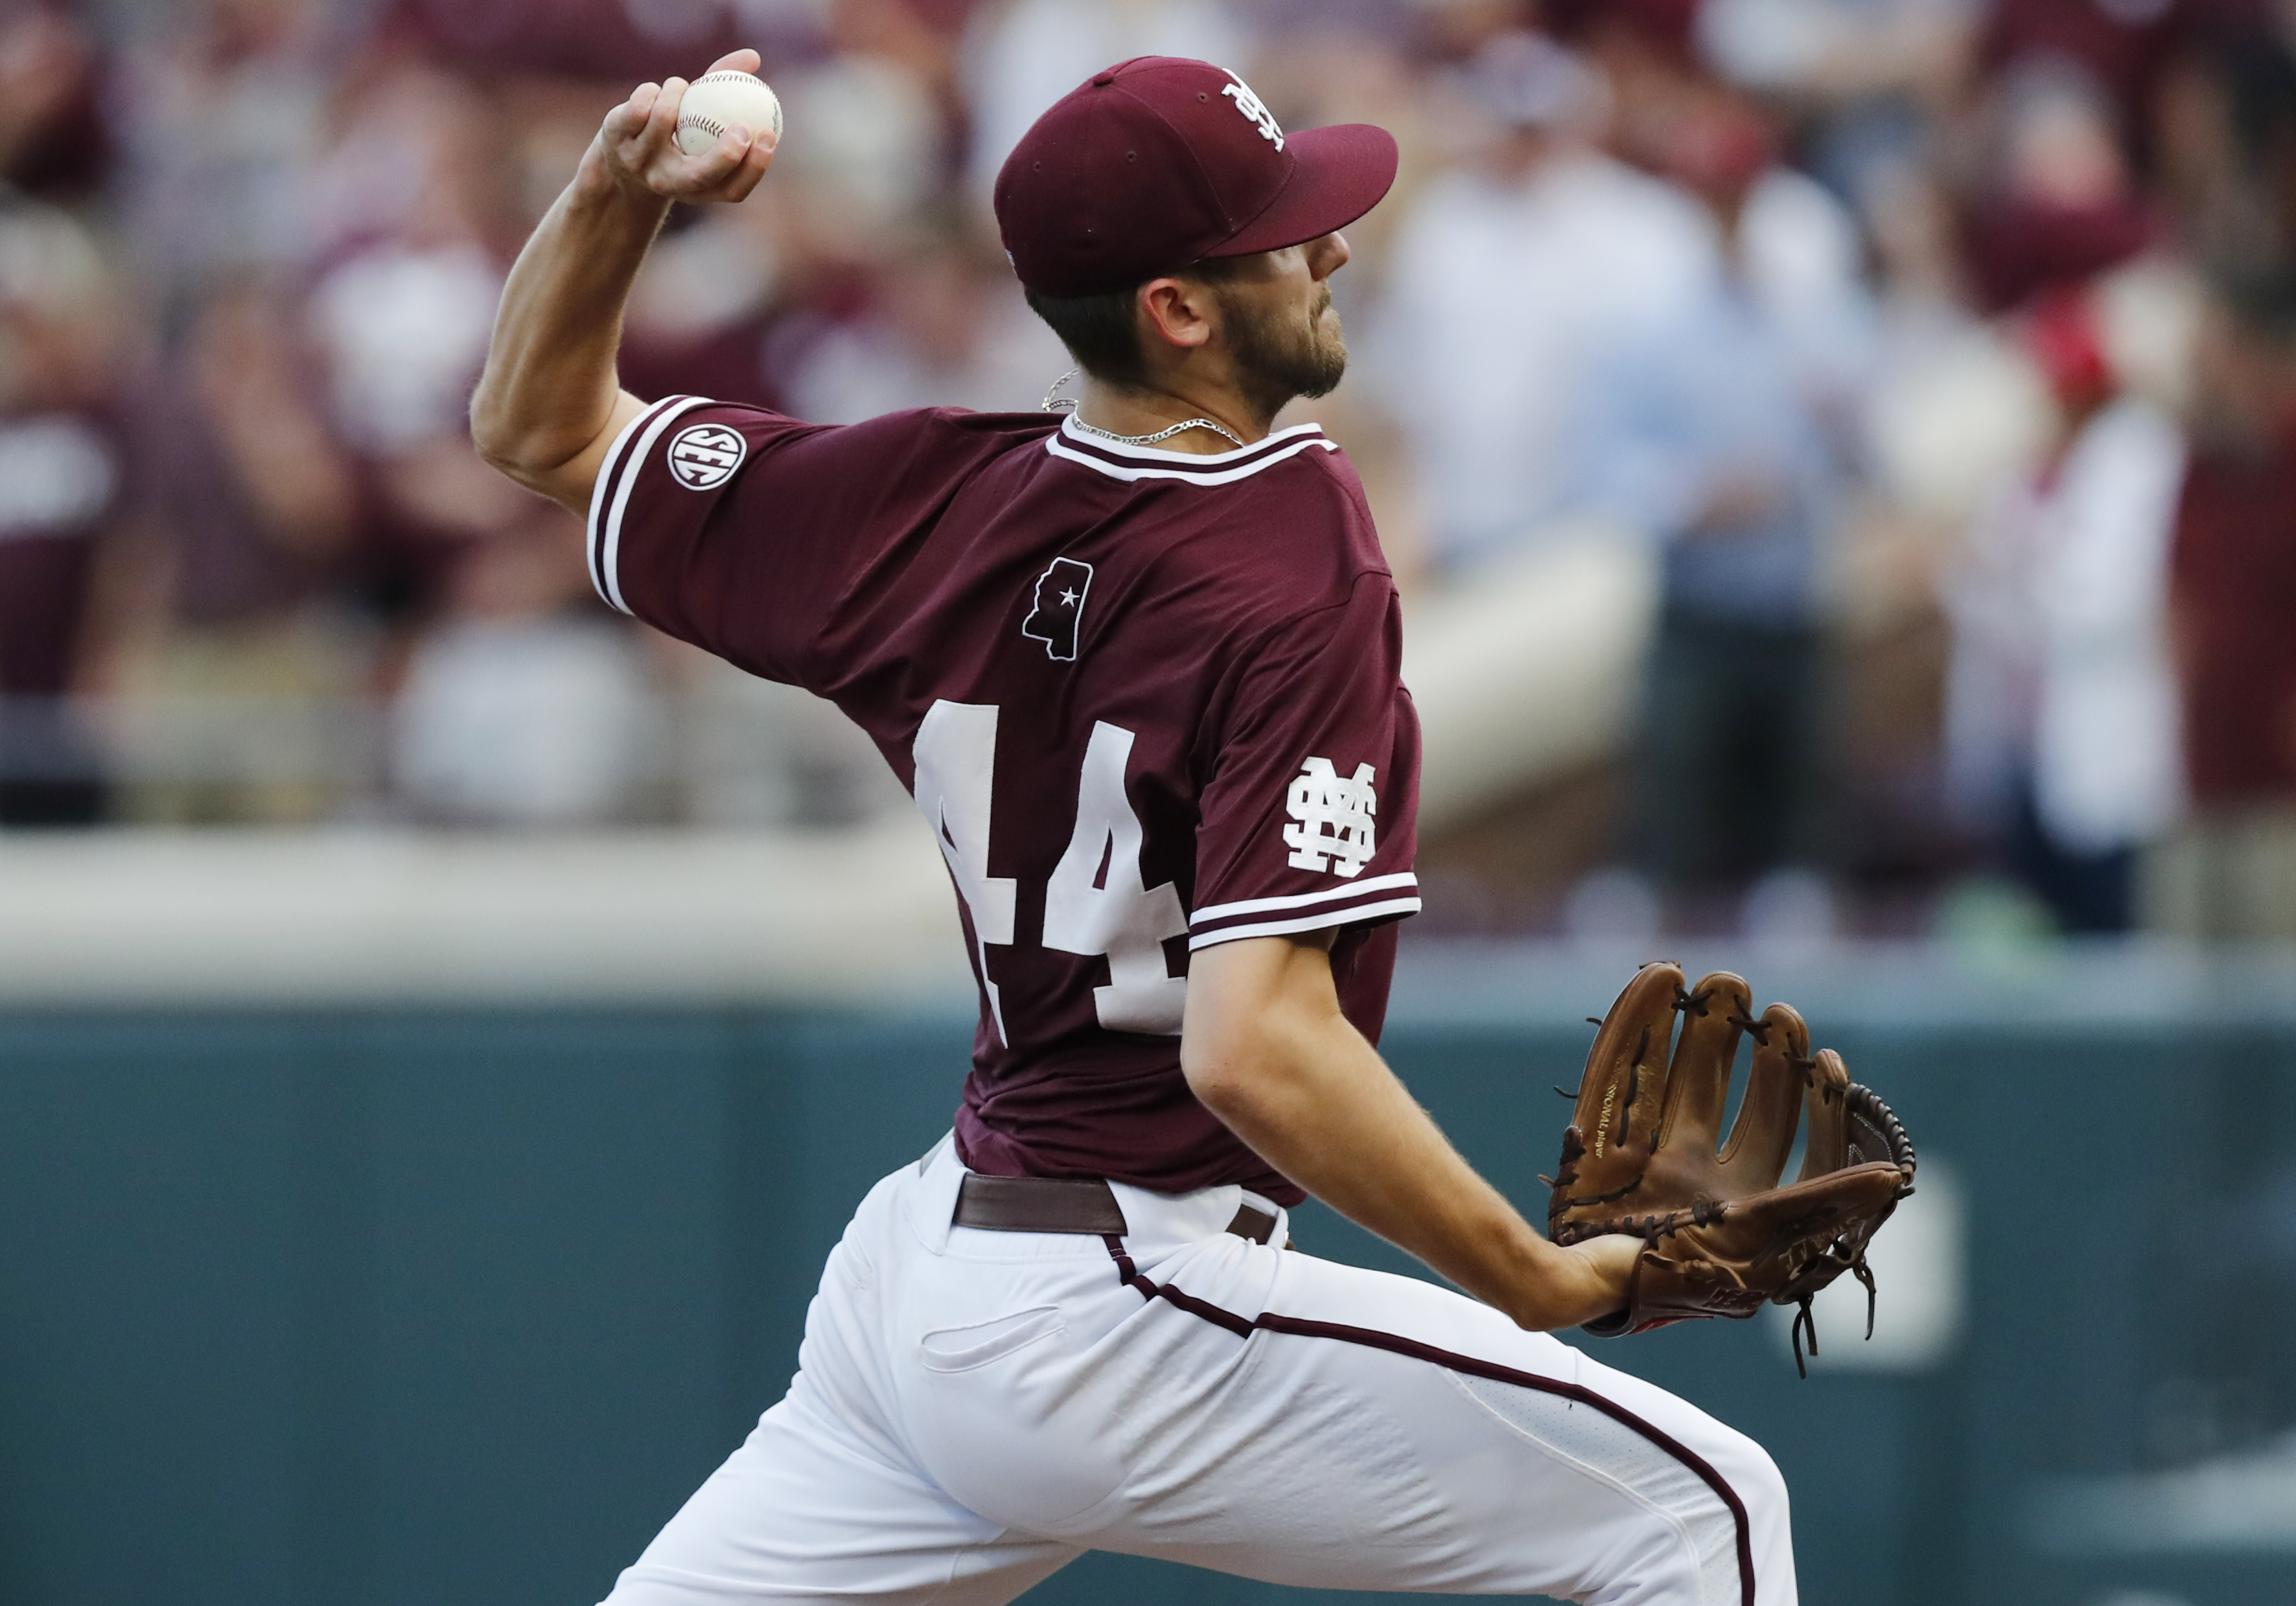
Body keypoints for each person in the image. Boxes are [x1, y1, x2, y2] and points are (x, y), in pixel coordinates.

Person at [472, 49, 1794, 1605]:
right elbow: (1254, 1049)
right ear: (1176, 310)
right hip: (1115, 1294)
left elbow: (538, 429)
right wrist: (1533, 1276)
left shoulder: (920, 493)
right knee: (1699, 1507)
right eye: (1284, 235)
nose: (1333, 248)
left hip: (926, 1286)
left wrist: (613, 190)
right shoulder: (1290, 554)